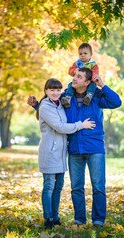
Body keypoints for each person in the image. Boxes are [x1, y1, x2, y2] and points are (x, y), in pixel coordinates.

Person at [28, 69, 121, 228]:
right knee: (76, 187)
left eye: (79, 76)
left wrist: (103, 85)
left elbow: (116, 102)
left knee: (98, 186)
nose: (74, 78)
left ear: (87, 82)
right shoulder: (66, 96)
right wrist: (37, 105)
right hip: (74, 149)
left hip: (95, 148)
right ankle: (79, 220)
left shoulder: (97, 96)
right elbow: (52, 110)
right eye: (74, 75)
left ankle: (98, 220)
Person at [28, 78, 96, 230]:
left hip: (61, 153)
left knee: (58, 187)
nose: (55, 92)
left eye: (58, 90)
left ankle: (55, 216)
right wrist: (81, 125)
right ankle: (48, 218)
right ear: (45, 91)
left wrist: (35, 105)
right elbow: (59, 126)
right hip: (49, 152)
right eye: (52, 90)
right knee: (49, 186)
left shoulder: (60, 104)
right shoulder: (46, 105)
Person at [61, 43, 99, 107]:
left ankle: (89, 96)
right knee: (70, 85)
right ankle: (68, 98)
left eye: (85, 53)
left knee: (93, 85)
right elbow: (70, 71)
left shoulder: (93, 64)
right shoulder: (77, 63)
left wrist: (93, 78)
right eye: (80, 54)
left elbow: (95, 72)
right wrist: (74, 71)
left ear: (91, 54)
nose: (82, 55)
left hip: (89, 80)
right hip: (79, 81)